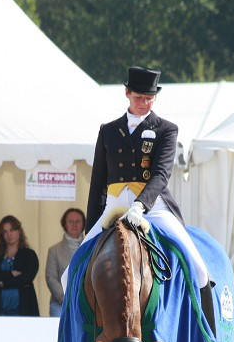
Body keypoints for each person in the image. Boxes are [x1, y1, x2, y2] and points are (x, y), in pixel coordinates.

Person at [82, 66, 216, 324]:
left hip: (153, 206)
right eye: (139, 97)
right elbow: (98, 183)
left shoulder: (166, 129)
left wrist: (139, 206)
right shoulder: (108, 130)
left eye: (149, 98)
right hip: (113, 207)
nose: (144, 103)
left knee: (199, 269)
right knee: (70, 274)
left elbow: (161, 174)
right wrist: (90, 230)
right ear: (127, 93)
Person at [0, 216, 39, 316]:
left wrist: (2, 284)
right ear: (1, 235)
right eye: (5, 232)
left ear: (19, 231)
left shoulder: (29, 255)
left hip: (23, 309)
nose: (9, 234)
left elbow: (26, 278)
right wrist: (11, 273)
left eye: (12, 230)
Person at [45, 208, 85, 317]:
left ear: (83, 224)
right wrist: (64, 297)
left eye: (77, 221)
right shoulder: (54, 250)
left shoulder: (91, 248)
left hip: (85, 303)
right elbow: (51, 277)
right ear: (64, 224)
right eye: (70, 221)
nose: (74, 225)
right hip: (60, 303)